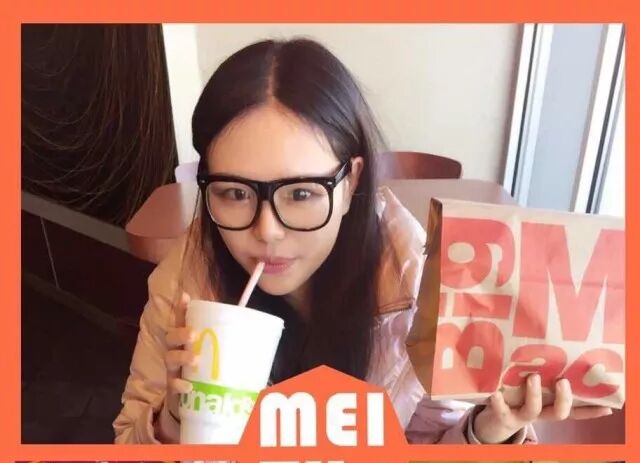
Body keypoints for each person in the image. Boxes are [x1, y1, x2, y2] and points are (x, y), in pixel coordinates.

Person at [113, 38, 612, 444]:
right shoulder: (183, 288)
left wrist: (488, 432)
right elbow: (126, 444)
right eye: (236, 192)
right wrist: (173, 422)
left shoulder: (419, 294)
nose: (267, 230)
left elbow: (427, 443)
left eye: (302, 193)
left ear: (350, 181)